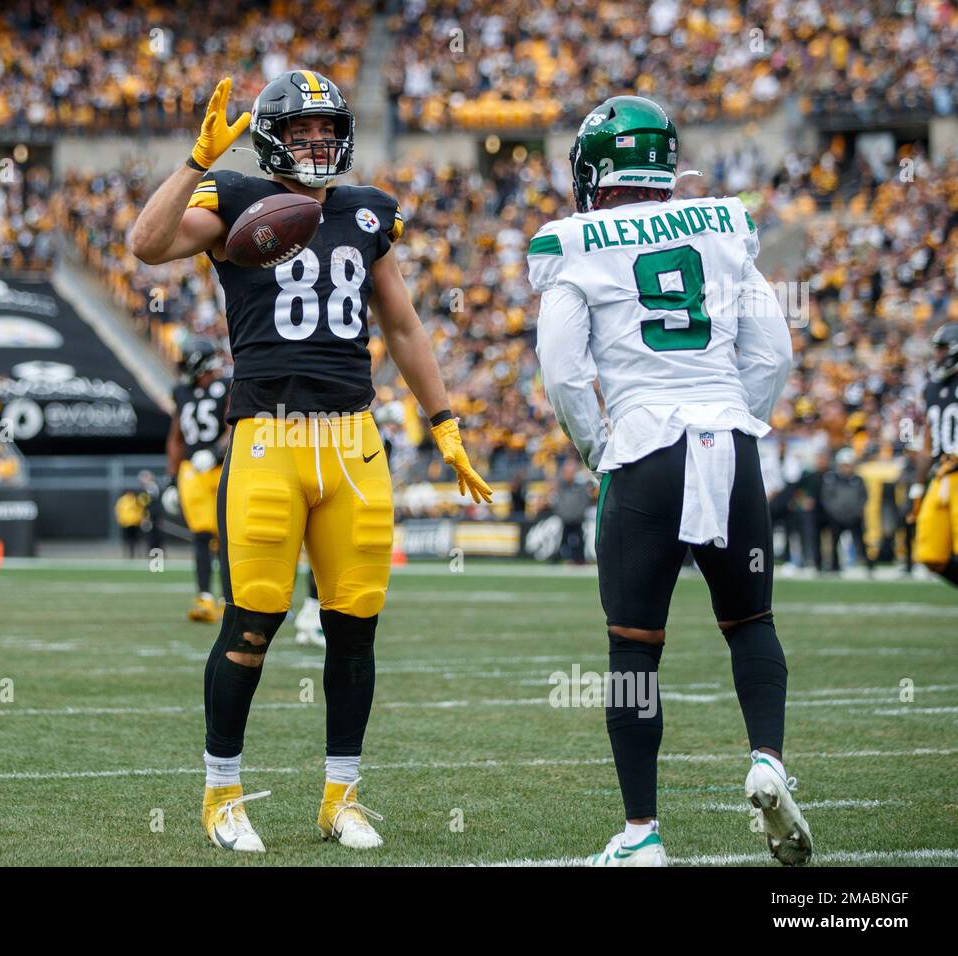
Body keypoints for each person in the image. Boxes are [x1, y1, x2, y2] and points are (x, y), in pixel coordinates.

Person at [129, 71, 491, 853]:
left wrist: (444, 420)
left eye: (327, 130)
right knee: (251, 625)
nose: (318, 143)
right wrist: (195, 161)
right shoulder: (230, 198)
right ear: (269, 140)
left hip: (354, 444)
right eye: (301, 132)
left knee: (353, 629)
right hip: (267, 439)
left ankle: (341, 798)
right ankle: (221, 793)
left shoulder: (366, 212)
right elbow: (146, 245)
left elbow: (401, 325)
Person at [531, 96, 809, 866]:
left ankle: (641, 833)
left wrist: (601, 451)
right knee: (751, 624)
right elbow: (774, 353)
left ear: (595, 171)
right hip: (730, 438)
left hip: (647, 446)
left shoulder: (573, 242)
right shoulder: (722, 225)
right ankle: (767, 761)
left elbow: (562, 371)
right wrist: (730, 421)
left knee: (631, 654)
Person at [166, 338, 229, 623]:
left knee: (230, 536)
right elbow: (175, 437)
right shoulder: (181, 392)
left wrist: (216, 451)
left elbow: (237, 423)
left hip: (224, 466)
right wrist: (170, 478)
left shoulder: (226, 386)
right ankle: (204, 597)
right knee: (202, 534)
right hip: (192, 470)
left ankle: (233, 600)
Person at [908, 323, 958, 586]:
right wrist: (917, 487)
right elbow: (927, 440)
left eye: (942, 349)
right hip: (941, 477)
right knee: (931, 555)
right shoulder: (931, 388)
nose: (937, 355)